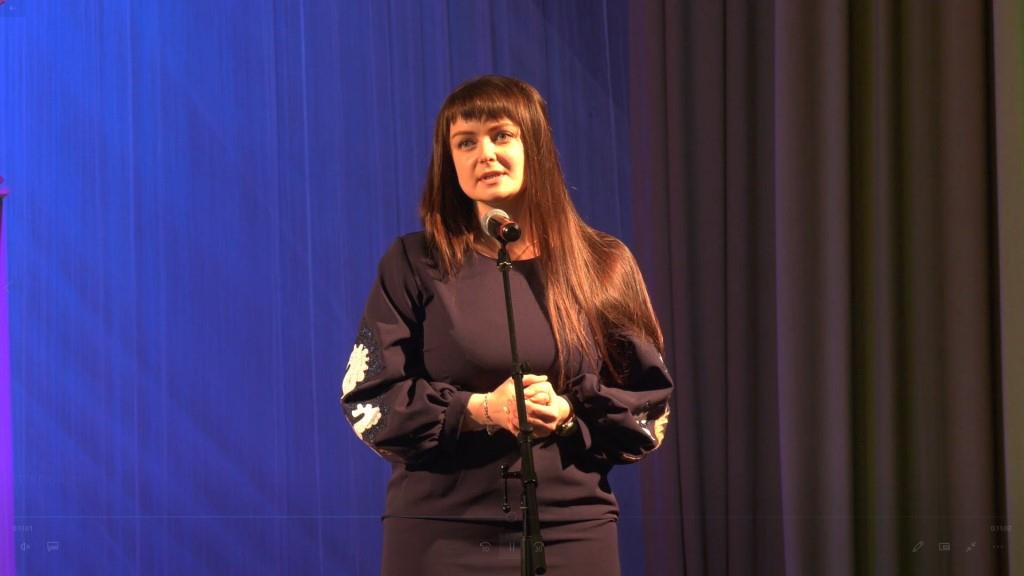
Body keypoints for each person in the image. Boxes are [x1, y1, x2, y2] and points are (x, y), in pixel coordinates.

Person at [340, 75, 673, 575]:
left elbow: (648, 408)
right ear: (449, 160)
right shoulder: (413, 262)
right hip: (441, 534)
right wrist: (480, 410)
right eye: (466, 142)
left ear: (534, 145)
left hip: (572, 531)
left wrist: (566, 412)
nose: (485, 154)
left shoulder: (604, 263)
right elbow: (369, 398)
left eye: (501, 135)